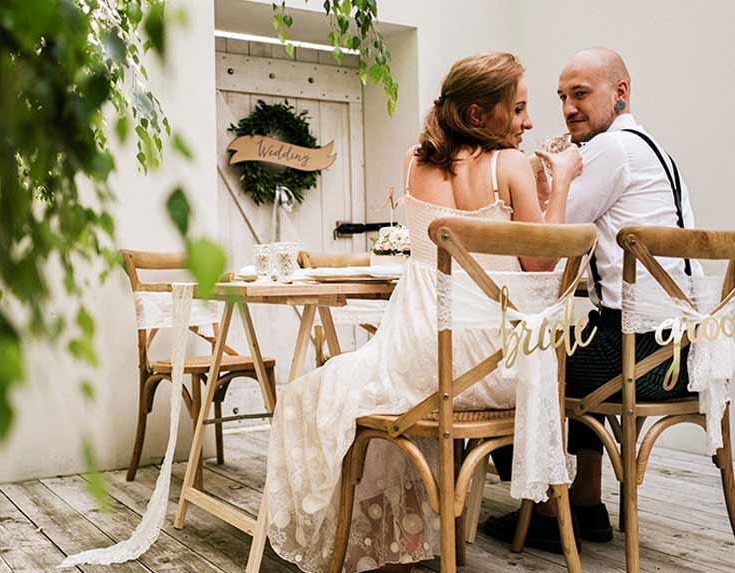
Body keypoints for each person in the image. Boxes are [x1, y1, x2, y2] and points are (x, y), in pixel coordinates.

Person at [264, 52, 582, 573]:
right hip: (501, 368)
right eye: (519, 108)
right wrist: (562, 177)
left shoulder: (416, 162)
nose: (528, 122)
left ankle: (395, 545)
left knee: (327, 391)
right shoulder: (511, 166)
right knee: (378, 391)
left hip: (423, 361)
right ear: (480, 115)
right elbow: (543, 264)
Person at [486, 47, 697, 552]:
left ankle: (543, 509)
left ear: (619, 93)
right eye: (562, 96)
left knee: (509, 365)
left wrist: (542, 178)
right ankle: (586, 503)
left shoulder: (610, 151)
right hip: (685, 350)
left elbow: (545, 241)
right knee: (578, 338)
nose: (567, 108)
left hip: (644, 357)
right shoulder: (656, 150)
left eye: (580, 94)